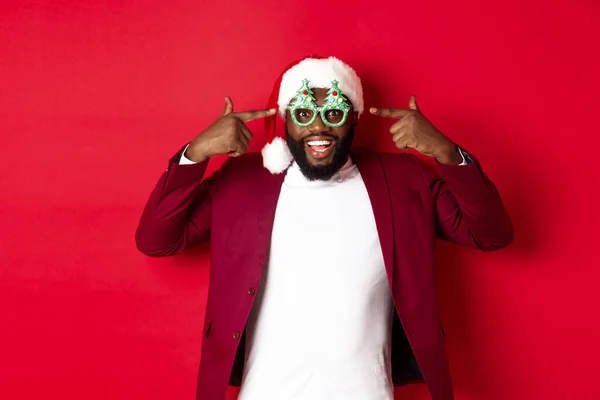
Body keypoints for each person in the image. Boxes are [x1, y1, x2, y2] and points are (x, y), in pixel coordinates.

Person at [135, 55, 513, 400]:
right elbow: (157, 240)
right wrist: (195, 153)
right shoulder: (244, 182)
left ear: (354, 117)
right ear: (285, 120)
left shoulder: (401, 179)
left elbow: (490, 234)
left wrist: (446, 152)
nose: (319, 126)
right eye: (303, 114)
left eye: (334, 113)